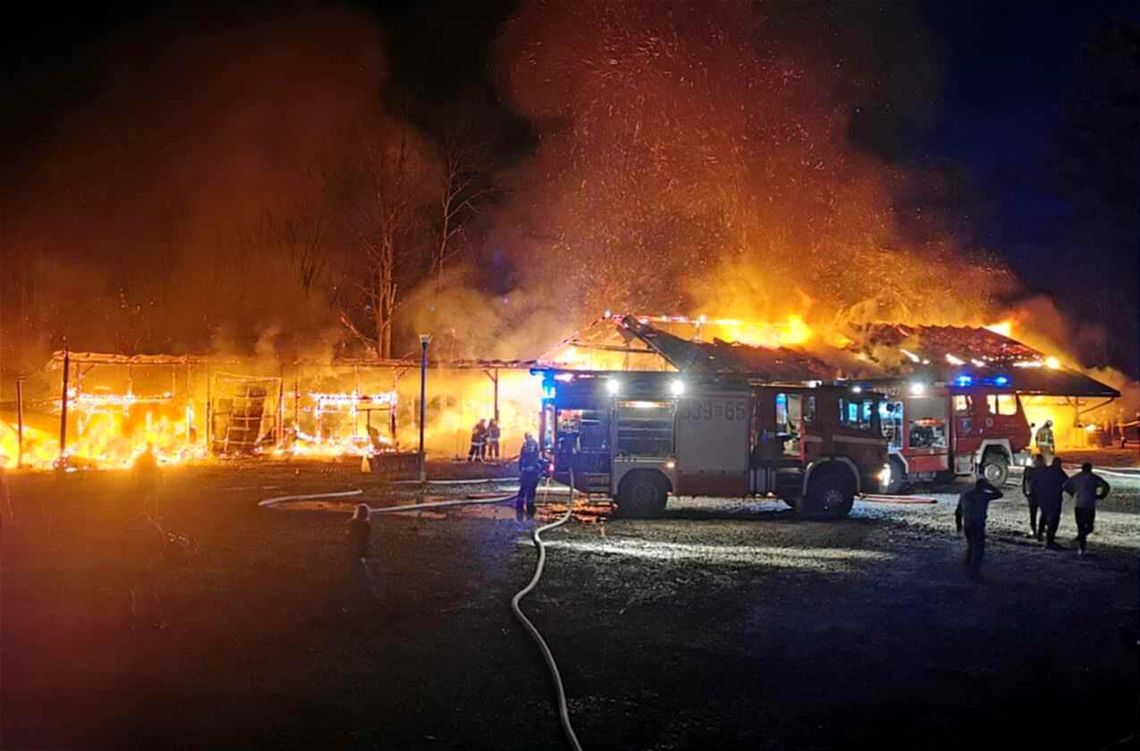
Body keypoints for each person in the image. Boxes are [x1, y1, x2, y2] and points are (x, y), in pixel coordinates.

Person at [955, 477, 1004, 580]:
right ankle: (974, 572)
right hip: (978, 524)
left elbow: (958, 511)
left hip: (968, 524)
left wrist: (959, 524)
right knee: (978, 549)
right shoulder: (984, 496)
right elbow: (999, 494)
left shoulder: (965, 495)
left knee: (971, 546)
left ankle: (966, 567)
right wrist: (990, 486)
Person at [1063, 462, 1110, 556]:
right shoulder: (1094, 478)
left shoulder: (1077, 477)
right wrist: (1101, 496)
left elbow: (1066, 485)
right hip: (1089, 505)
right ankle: (1081, 542)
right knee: (1089, 526)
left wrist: (1072, 493)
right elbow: (1106, 486)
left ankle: (1081, 543)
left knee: (1081, 526)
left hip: (1079, 505)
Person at [1031, 457, 1069, 549]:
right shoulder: (1059, 472)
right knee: (1054, 520)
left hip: (1044, 499)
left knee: (1044, 516)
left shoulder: (1045, 471)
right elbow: (1067, 483)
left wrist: (1038, 495)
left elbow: (1035, 483)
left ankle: (1041, 535)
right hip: (1054, 499)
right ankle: (1049, 541)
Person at [517, 432, 543, 521]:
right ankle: (530, 507)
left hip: (525, 471)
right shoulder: (535, 444)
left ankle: (519, 505)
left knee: (523, 488)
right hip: (532, 472)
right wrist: (540, 469)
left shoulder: (525, 445)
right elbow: (537, 458)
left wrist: (520, 469)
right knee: (531, 489)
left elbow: (521, 458)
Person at [1022, 454, 1046, 539]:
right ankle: (1040, 531)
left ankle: (1035, 531)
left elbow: (1024, 482)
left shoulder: (1029, 470)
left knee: (1033, 513)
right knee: (1043, 513)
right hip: (1040, 495)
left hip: (1032, 495)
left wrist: (1025, 491)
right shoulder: (1044, 470)